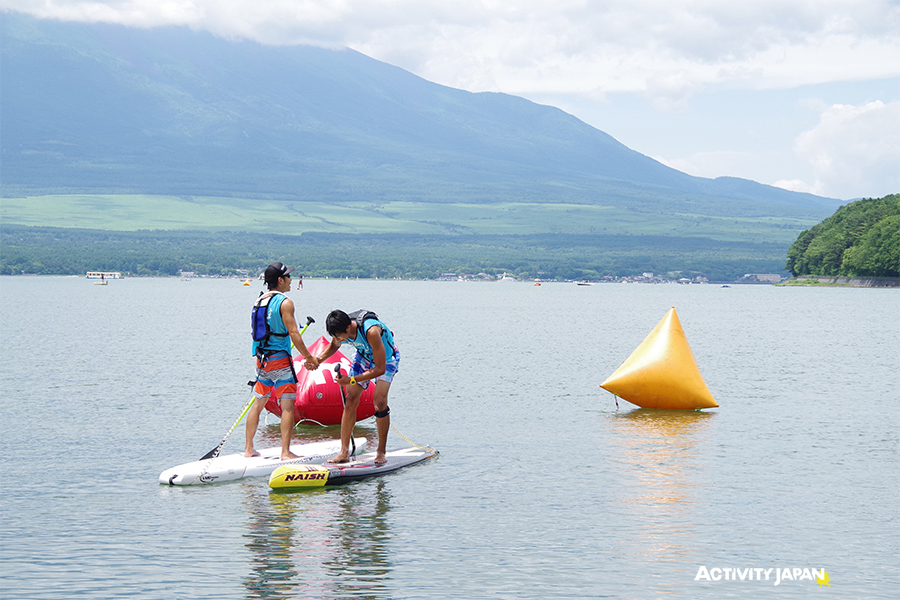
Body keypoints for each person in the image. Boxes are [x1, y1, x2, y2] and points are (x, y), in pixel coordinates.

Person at [245, 262, 319, 460]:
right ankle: (285, 452)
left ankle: (248, 449)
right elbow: (294, 333)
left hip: (262, 362)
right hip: (281, 361)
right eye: (288, 276)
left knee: (258, 404)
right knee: (287, 407)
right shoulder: (285, 302)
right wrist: (309, 357)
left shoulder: (258, 301)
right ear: (280, 280)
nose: (291, 280)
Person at [316, 309, 399, 465]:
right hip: (363, 356)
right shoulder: (341, 331)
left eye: (339, 336)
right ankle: (344, 452)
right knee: (350, 399)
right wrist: (317, 360)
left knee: (380, 401)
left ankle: (381, 452)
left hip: (386, 359)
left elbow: (380, 369)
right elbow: (334, 345)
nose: (337, 339)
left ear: (348, 328)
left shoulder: (371, 331)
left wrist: (351, 380)